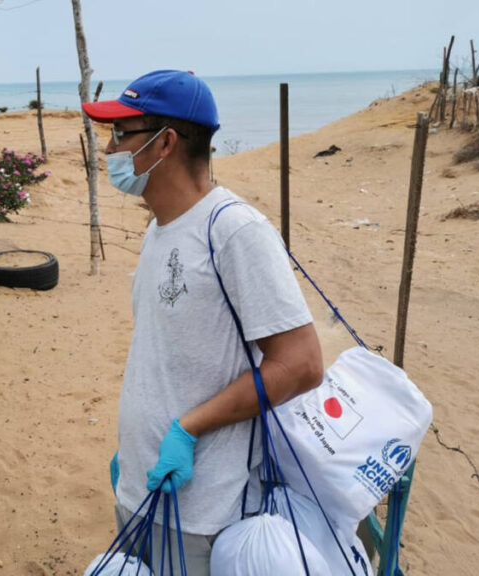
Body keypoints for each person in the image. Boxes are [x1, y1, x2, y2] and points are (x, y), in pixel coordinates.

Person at [82, 71, 324, 574]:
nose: (109, 150)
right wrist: (131, 452)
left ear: (165, 142)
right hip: (142, 483)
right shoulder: (160, 227)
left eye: (122, 134)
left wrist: (189, 430)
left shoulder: (235, 231)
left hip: (202, 509)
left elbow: (300, 365)